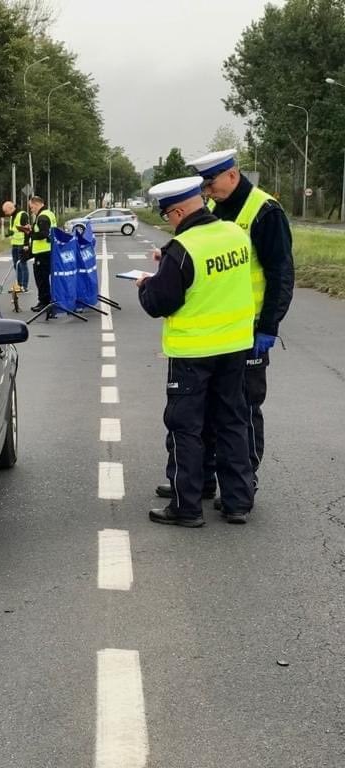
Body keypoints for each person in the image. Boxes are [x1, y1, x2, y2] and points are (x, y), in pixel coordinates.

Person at [154, 149, 294, 505]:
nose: (207, 190)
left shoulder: (265, 211)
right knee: (207, 412)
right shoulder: (217, 209)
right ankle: (199, 482)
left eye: (211, 182)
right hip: (219, 333)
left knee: (242, 411)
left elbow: (281, 272)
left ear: (232, 175)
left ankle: (244, 483)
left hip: (249, 329)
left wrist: (269, 327)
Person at [137, 176, 256, 526]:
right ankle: (237, 502)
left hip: (193, 353)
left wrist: (147, 284)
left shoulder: (182, 249)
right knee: (233, 422)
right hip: (235, 346)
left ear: (178, 211)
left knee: (185, 427)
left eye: (168, 216)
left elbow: (161, 302)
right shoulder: (235, 234)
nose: (170, 224)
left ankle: (185, 505)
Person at [27, 195, 56, 312]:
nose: (31, 209)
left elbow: (44, 233)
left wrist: (31, 233)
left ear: (37, 204)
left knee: (41, 279)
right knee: (44, 278)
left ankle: (44, 302)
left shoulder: (42, 217)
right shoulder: (49, 213)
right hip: (48, 250)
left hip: (43, 252)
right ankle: (46, 301)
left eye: (32, 207)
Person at [2, 201, 30, 292]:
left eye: (6, 211)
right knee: (16, 265)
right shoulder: (12, 217)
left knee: (22, 264)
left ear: (10, 208)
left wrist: (26, 244)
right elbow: (14, 229)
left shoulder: (23, 215)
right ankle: (18, 284)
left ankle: (24, 286)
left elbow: (27, 230)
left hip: (22, 243)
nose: (5, 214)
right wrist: (9, 233)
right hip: (14, 243)